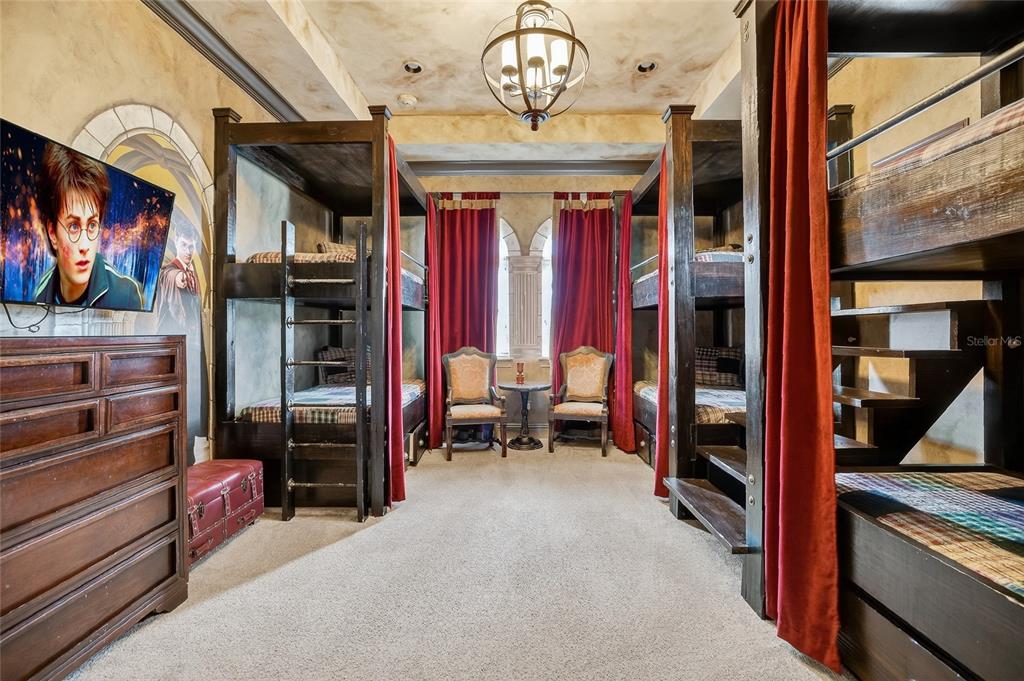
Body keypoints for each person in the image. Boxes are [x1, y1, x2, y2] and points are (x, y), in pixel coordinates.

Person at [33, 143, 143, 309]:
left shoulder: (126, 294)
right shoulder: (41, 293)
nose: (85, 246)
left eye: (92, 225)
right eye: (74, 227)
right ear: (52, 233)